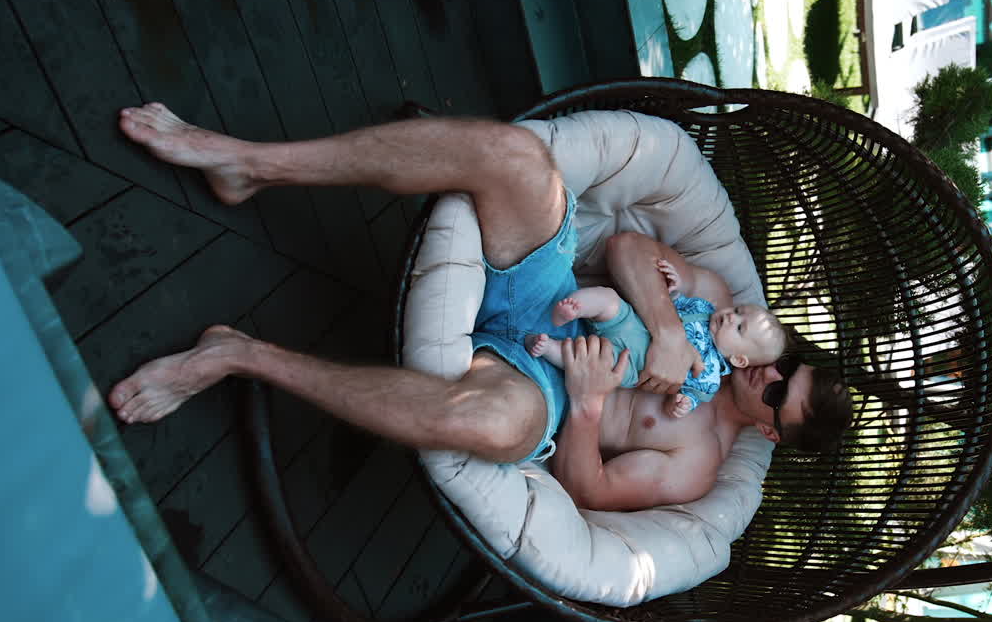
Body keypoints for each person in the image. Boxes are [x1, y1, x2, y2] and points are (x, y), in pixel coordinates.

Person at [107, 103, 853, 512]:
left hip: (547, 390)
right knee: (519, 159)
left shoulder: (697, 466)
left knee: (489, 425)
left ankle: (238, 354)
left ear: (774, 434)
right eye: (789, 369)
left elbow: (590, 489)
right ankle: (250, 164)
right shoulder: (720, 307)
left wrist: (591, 405)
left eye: (781, 398)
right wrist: (662, 327)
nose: (770, 379)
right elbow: (628, 247)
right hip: (554, 287)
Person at [527, 258, 787, 418]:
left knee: (597, 367)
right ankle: (571, 310)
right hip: (632, 324)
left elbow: (690, 395)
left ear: (739, 359)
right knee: (608, 299)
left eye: (740, 328)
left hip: (632, 363)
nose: (732, 317)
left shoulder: (710, 378)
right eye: (738, 311)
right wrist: (672, 288)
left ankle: (549, 347)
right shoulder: (704, 309)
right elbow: (671, 304)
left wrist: (683, 404)